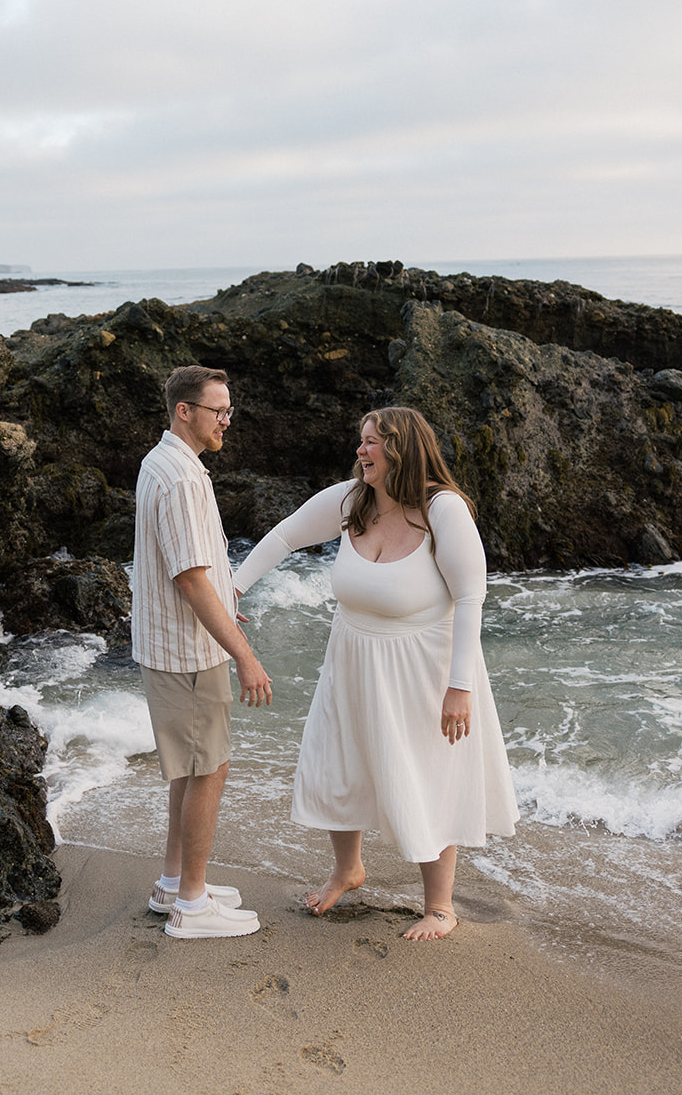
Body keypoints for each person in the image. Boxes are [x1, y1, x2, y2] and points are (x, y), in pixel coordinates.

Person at [234, 405, 518, 941]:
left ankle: (439, 906)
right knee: (339, 763)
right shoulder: (351, 502)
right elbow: (283, 537)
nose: (361, 451)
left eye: (371, 443)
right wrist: (234, 587)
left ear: (401, 449)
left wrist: (459, 687)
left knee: (429, 774)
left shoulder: (444, 510)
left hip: (424, 665)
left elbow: (471, 597)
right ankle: (348, 870)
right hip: (352, 655)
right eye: (361, 441)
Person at [132, 364, 274, 941]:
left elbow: (188, 568)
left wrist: (222, 596)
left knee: (190, 769)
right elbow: (190, 580)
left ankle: (175, 881)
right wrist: (244, 654)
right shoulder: (183, 478)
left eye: (229, 410)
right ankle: (192, 904)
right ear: (184, 411)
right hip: (187, 652)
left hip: (168, 641)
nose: (226, 421)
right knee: (209, 768)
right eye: (218, 411)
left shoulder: (160, 462)